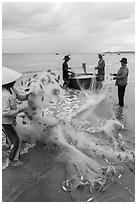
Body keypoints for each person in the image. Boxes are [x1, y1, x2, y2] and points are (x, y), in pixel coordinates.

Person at [2, 66, 30, 166]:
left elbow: (20, 97)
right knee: (16, 140)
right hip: (5, 121)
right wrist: (18, 110)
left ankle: (7, 147)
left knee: (11, 138)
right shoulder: (3, 95)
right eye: (12, 81)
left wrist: (28, 95)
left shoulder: (12, 89)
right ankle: (12, 160)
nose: (14, 82)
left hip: (11, 119)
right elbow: (4, 112)